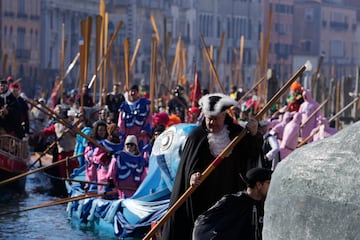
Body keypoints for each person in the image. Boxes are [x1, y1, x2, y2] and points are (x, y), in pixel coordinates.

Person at [161, 93, 263, 240]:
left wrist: (254, 135)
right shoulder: (196, 136)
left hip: (229, 193)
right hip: (202, 197)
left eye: (215, 119)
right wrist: (193, 175)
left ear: (224, 116)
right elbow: (190, 165)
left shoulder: (237, 134)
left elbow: (252, 154)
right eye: (209, 119)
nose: (211, 123)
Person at [192, 167, 272, 240]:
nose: (272, 186)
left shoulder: (267, 204)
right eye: (268, 183)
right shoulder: (232, 201)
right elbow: (202, 223)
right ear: (258, 185)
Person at [118, 84, 152, 150]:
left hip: (141, 136)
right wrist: (122, 133)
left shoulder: (144, 104)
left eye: (134, 91)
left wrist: (145, 129)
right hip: (128, 136)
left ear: (137, 93)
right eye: (131, 91)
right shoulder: (124, 106)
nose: (132, 93)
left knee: (142, 152)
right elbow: (121, 121)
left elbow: (149, 119)